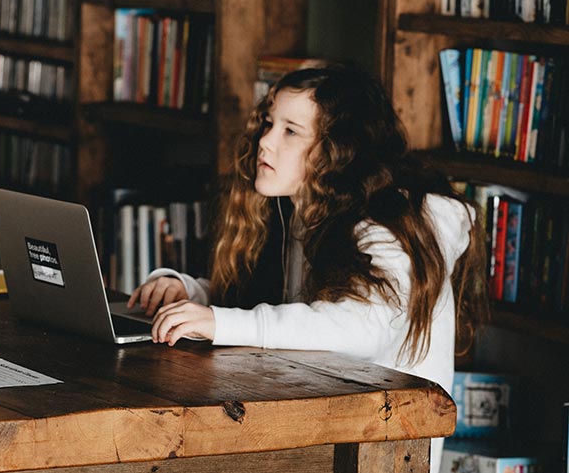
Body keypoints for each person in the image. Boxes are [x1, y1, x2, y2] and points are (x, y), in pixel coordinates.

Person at [126, 66, 487, 472]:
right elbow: (284, 305)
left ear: (339, 151)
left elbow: (361, 326)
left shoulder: (389, 224)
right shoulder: (308, 207)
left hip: (379, 450)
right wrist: (193, 294)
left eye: (290, 131)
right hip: (319, 430)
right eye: (268, 123)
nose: (265, 141)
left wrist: (221, 322)